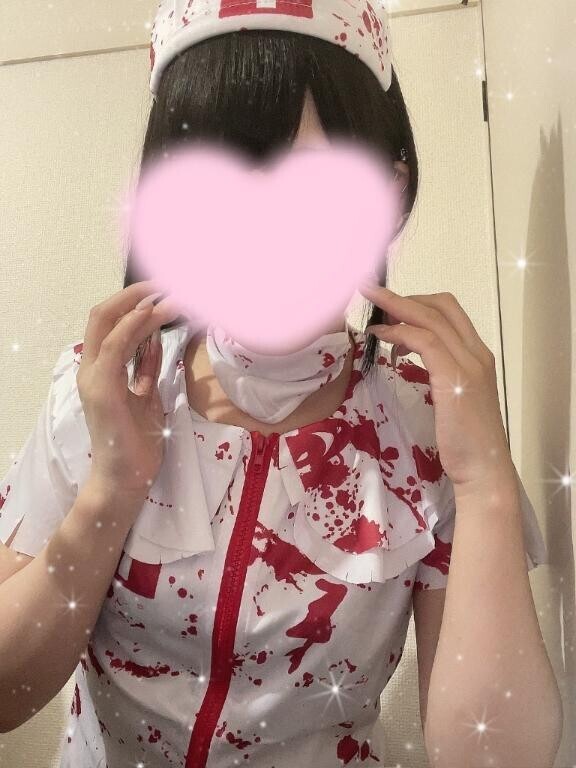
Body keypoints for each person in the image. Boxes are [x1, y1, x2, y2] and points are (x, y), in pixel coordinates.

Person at [0, 2, 549, 767]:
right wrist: (109, 491)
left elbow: (495, 758)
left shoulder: (429, 423)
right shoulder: (100, 392)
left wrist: (486, 483)